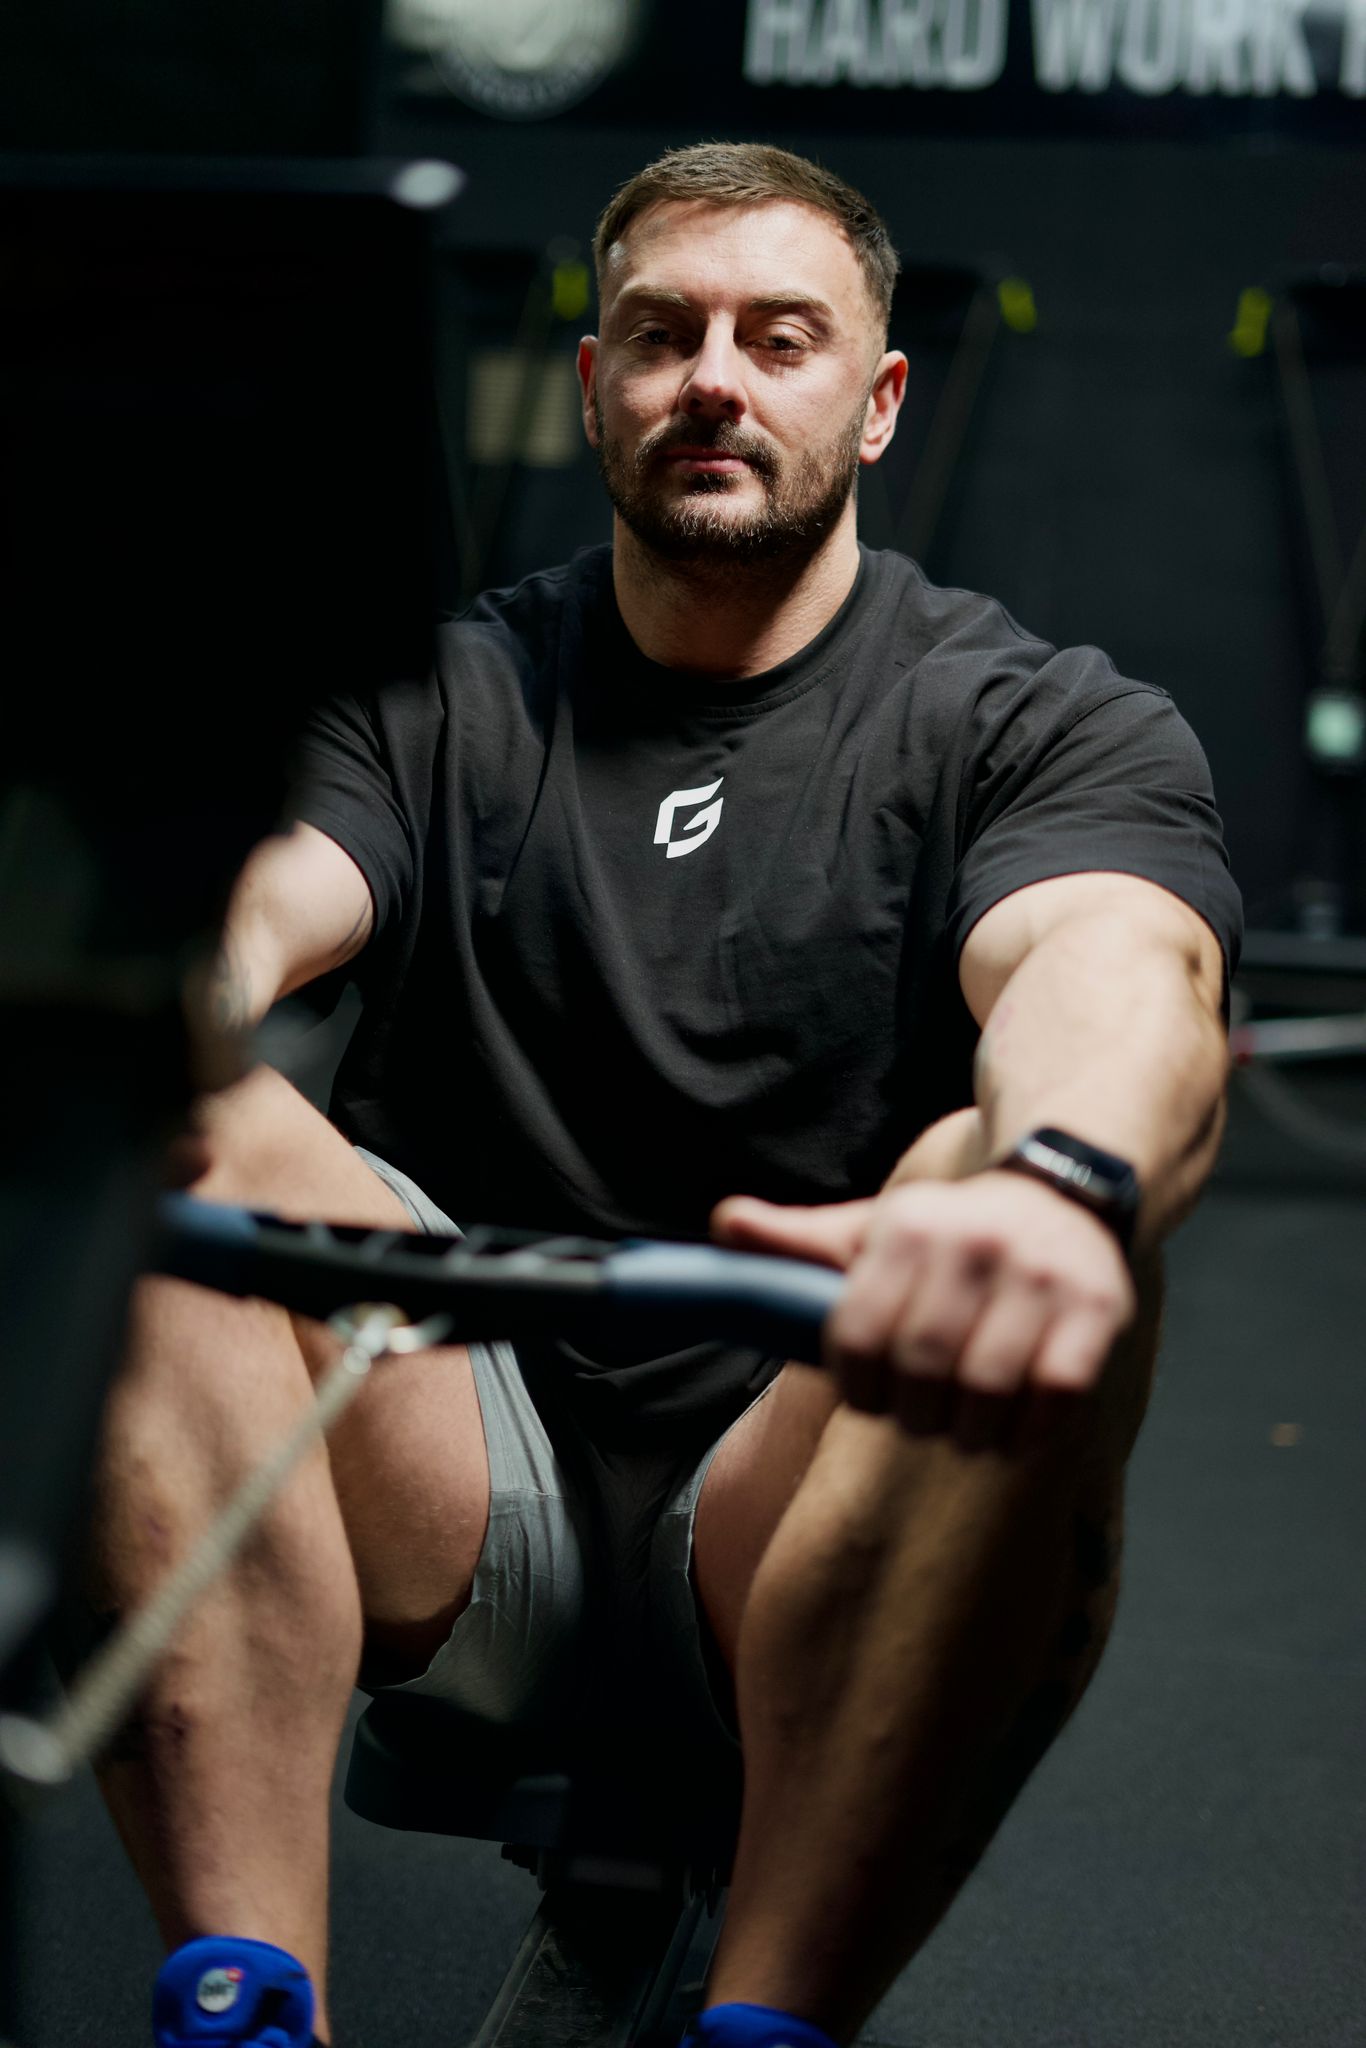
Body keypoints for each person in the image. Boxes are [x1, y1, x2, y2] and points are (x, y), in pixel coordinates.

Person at [91, 143, 1240, 2048]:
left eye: (779, 338)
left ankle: (766, 2022)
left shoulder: (1036, 720)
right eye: (661, 333)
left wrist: (1056, 1175)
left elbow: (1113, 968)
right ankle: (242, 2005)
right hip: (455, 1477)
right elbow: (264, 888)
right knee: (161, 1116)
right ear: (593, 383)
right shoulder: (432, 696)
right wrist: (138, 1006)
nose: (714, 377)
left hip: (799, 1499)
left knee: (1012, 1186)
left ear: (876, 399)